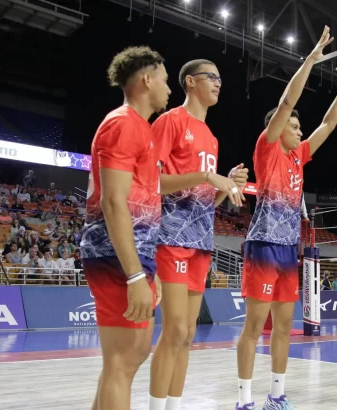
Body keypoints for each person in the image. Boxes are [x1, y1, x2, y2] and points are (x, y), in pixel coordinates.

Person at [235, 26, 337, 410]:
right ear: (276, 127)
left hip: (287, 251)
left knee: (283, 330)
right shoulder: (268, 147)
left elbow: (328, 124)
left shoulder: (298, 156)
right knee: (254, 327)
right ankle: (244, 400)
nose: (299, 129)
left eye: (297, 126)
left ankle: (277, 394)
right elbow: (287, 100)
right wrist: (311, 59)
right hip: (262, 247)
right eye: (293, 125)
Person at [148, 58, 248, 410]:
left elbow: (208, 201)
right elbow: (152, 182)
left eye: (221, 79)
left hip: (201, 242)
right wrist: (207, 177)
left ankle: (174, 405)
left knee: (188, 335)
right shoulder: (170, 121)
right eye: (212, 77)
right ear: (190, 82)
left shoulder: (211, 137)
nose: (219, 83)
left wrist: (226, 184)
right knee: (174, 330)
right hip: (172, 238)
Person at [79, 46, 170, 410]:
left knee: (128, 360)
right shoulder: (121, 123)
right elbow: (113, 203)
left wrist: (149, 269)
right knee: (123, 360)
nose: (168, 89)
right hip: (114, 256)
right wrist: (135, 276)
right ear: (147, 80)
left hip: (133, 255)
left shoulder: (141, 129)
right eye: (164, 80)